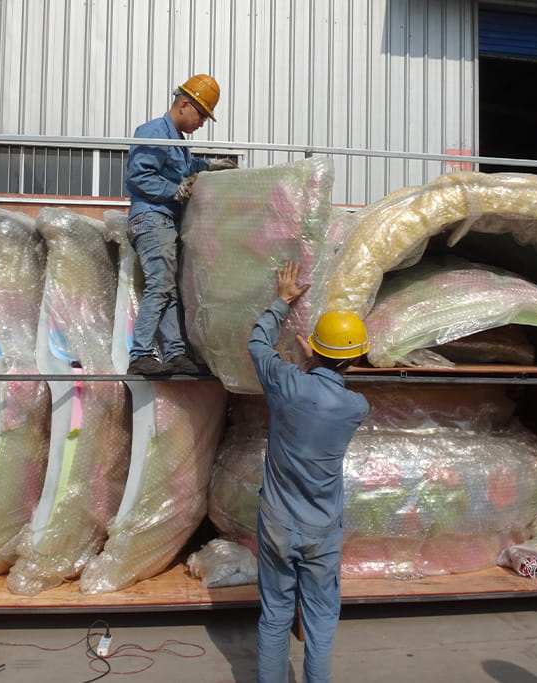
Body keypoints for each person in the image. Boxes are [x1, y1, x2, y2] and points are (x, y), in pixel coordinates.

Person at [248, 261, 371, 683]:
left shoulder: (285, 383)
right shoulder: (356, 408)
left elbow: (257, 345)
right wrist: (315, 363)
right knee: (320, 622)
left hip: (279, 524)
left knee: (276, 615)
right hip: (323, 530)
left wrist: (282, 302)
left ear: (313, 347)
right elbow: (326, 387)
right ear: (355, 359)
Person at [124, 73, 237, 376]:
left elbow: (185, 167)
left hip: (163, 221)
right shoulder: (153, 132)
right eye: (202, 115)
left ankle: (174, 352)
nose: (202, 122)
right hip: (151, 218)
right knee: (159, 285)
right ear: (185, 105)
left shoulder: (175, 140)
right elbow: (139, 176)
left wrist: (212, 166)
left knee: (168, 289)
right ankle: (140, 355)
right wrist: (173, 191)